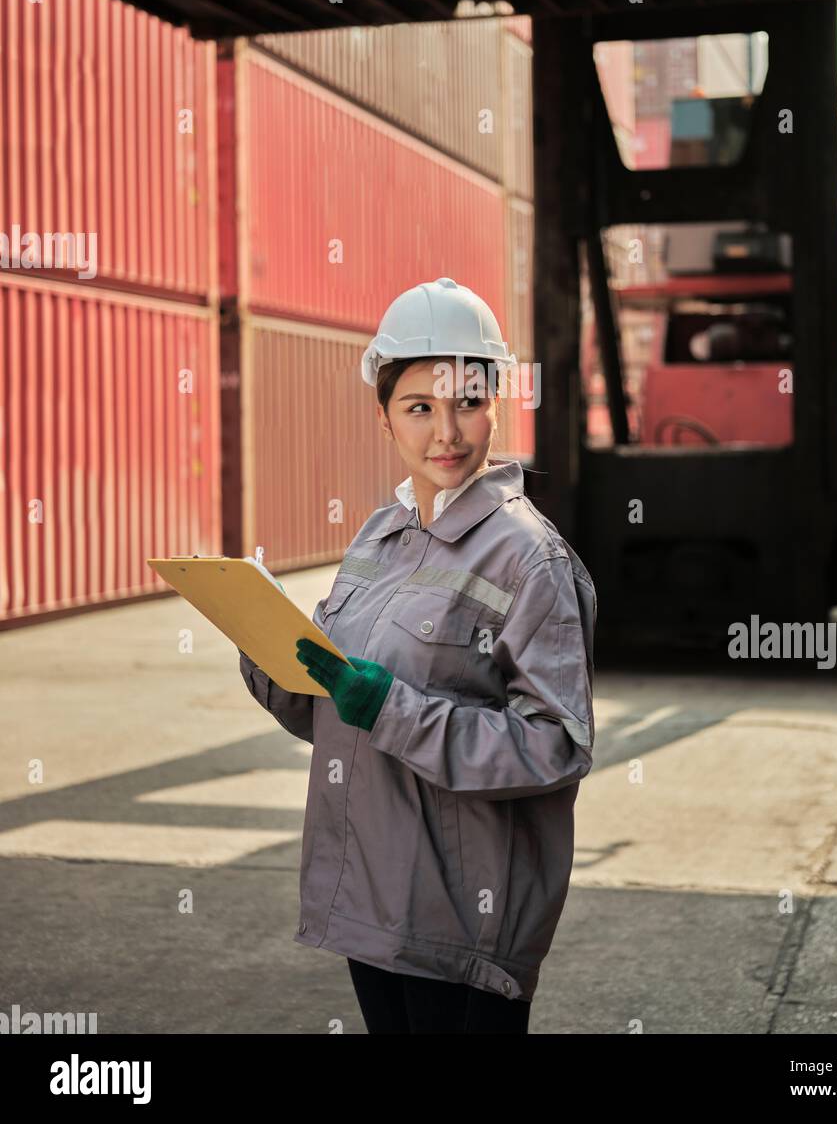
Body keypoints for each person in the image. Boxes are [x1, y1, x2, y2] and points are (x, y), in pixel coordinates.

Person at [239, 276, 597, 1034]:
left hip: (459, 919)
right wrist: (268, 654)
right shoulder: (379, 536)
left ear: (496, 401)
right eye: (419, 408)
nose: (447, 433)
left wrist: (393, 711)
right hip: (371, 900)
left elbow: (555, 748)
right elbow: (333, 712)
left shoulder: (529, 560)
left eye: (467, 402)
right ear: (384, 420)